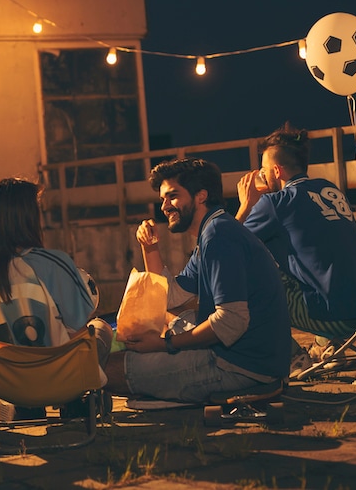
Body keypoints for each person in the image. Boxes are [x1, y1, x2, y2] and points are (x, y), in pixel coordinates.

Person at [105, 159, 290, 402]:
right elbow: (170, 297)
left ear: (201, 196)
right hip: (252, 360)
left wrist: (164, 344)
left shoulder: (218, 236)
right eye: (162, 199)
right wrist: (150, 248)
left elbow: (231, 322)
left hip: (241, 368)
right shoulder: (213, 230)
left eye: (172, 196)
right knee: (177, 318)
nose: (164, 206)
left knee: (105, 370)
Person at [235, 123, 356, 358]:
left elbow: (226, 247)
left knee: (245, 279)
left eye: (263, 171)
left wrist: (245, 206)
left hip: (337, 317)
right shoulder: (328, 189)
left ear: (276, 172)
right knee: (307, 271)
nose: (261, 176)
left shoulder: (275, 203)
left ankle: (293, 358)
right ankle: (327, 345)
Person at [0, 177, 113, 358]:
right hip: (59, 378)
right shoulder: (53, 263)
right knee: (101, 327)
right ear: (28, 218)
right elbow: (79, 331)